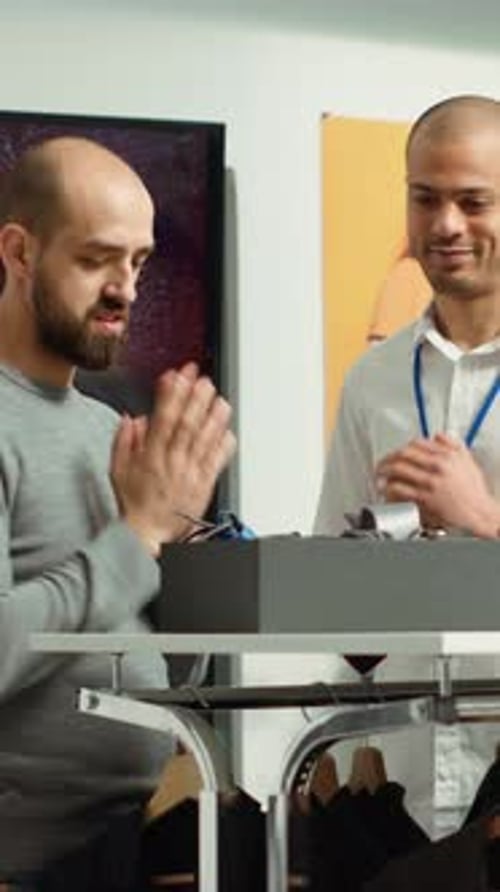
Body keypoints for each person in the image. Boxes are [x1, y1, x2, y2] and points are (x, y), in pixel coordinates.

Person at [0, 136, 236, 885]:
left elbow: (158, 656)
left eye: (138, 262)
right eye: (98, 258)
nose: (127, 289)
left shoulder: (109, 429)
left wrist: (187, 550)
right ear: (19, 252)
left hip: (138, 836)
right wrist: (138, 536)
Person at [314, 94, 500, 836]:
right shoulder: (375, 378)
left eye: (473, 200)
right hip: (399, 774)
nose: (445, 224)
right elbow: (332, 571)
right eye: (425, 198)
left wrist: (482, 517)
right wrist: (328, 732)